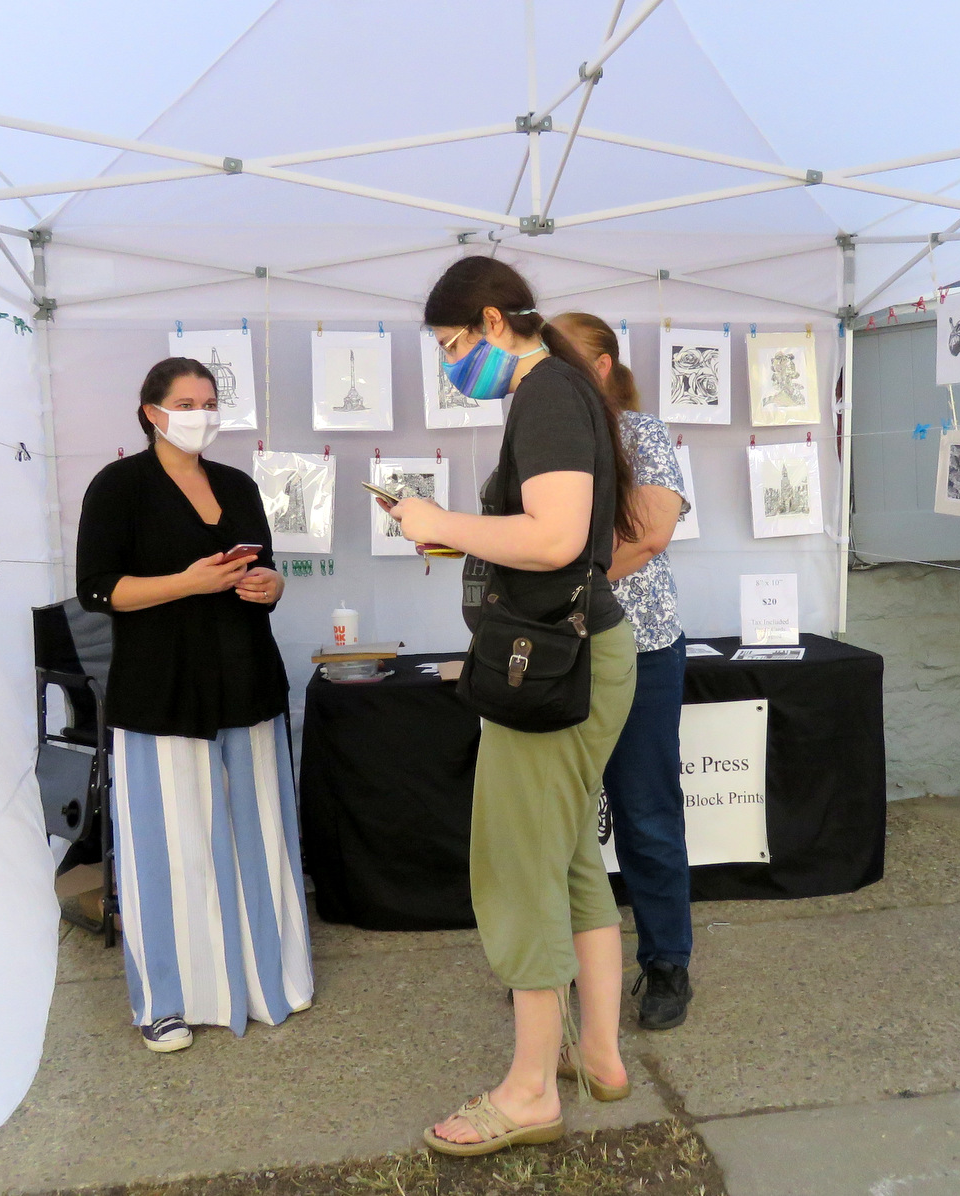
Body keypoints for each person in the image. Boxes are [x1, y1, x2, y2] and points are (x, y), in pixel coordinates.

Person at [382, 257, 638, 1156]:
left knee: (518, 871)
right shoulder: (556, 390)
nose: (452, 364)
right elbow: (561, 537)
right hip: (577, 654)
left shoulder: (547, 394)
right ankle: (598, 1056)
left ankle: (529, 1092)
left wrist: (441, 523)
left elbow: (557, 537)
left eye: (453, 344)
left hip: (555, 665)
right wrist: (460, 532)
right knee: (566, 860)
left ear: (494, 321)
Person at [75, 357, 313, 1053]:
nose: (201, 414)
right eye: (186, 403)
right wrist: (185, 582)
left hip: (247, 683)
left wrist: (270, 585)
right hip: (163, 692)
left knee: (258, 837)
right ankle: (168, 1002)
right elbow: (98, 590)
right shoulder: (118, 486)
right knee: (171, 849)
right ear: (151, 412)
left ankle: (267, 978)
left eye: (210, 402)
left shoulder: (237, 485)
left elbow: (264, 569)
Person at [551, 313, 694, 1030]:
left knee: (646, 815)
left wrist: (554, 584)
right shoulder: (545, 440)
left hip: (640, 649)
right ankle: (559, 966)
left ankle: (666, 963)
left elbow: (651, 535)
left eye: (563, 358)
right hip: (560, 655)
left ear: (603, 366)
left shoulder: (641, 434)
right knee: (558, 819)